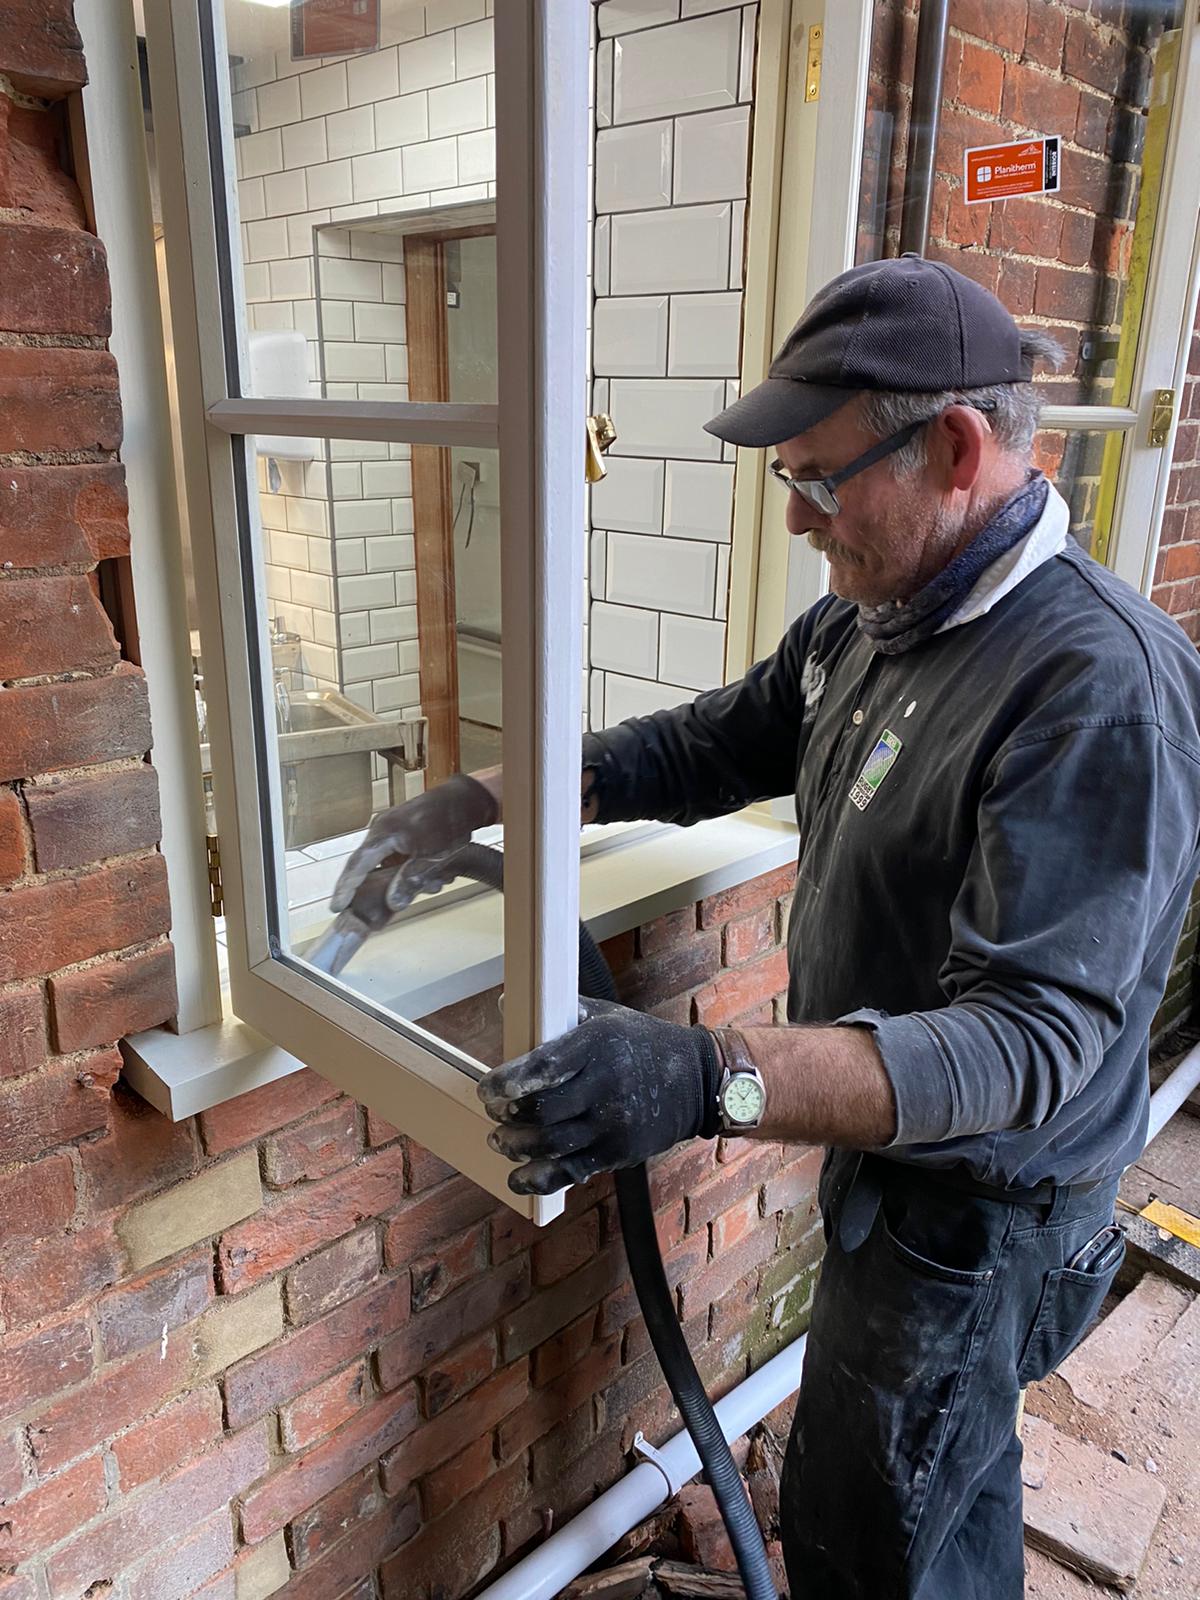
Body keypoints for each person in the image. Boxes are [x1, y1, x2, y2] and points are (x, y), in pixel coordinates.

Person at [329, 256, 1200, 1599]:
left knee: (873, 1524)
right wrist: (478, 801)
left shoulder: (1094, 693)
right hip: (901, 1184)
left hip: (984, 1224)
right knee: (949, 1488)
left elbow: (1024, 1048)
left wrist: (704, 1075)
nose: (797, 517)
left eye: (818, 477)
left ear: (955, 448)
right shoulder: (884, 616)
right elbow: (709, 744)